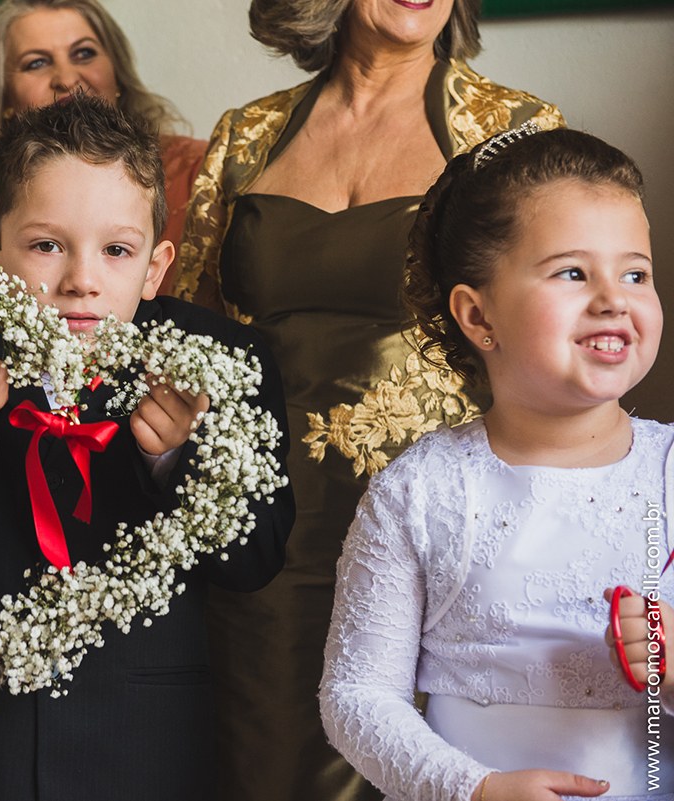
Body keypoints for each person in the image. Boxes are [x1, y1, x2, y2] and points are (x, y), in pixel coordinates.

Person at [0, 96, 295, 800]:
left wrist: (178, 456)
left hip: (138, 742)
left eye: (117, 250)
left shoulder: (217, 365)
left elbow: (256, 560)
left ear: (155, 266)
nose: (82, 279)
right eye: (47, 244)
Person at [173, 1, 564, 797]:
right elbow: (188, 339)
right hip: (261, 544)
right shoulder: (245, 138)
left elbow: (557, 352)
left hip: (439, 545)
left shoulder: (517, 133)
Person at [320, 126, 674, 800]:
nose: (613, 298)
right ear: (478, 314)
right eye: (573, 272)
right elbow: (356, 694)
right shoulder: (420, 490)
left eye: (636, 272)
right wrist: (473, 788)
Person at [0, 0, 205, 294]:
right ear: (4, 97)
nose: (67, 79)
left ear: (118, 72)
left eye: (84, 54)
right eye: (37, 62)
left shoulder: (196, 170)